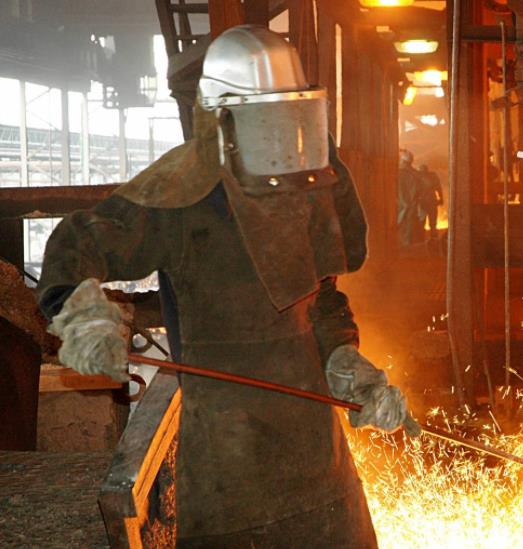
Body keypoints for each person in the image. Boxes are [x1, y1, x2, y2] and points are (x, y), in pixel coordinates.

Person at [36, 26, 416, 547]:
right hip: (231, 468)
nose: (282, 136)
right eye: (266, 119)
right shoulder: (183, 194)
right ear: (225, 119)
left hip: (318, 452)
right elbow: (77, 243)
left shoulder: (303, 182)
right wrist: (82, 313)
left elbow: (321, 293)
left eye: (289, 115)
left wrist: (345, 360)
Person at [397, 149, 423, 246]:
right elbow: (420, 189)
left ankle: (401, 243)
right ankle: (406, 242)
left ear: (403, 161)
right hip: (413, 203)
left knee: (400, 223)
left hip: (400, 203)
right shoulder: (417, 174)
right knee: (409, 223)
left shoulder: (399, 173)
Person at [416, 164, 443, 240]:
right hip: (430, 202)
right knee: (431, 222)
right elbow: (438, 188)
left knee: (423, 222)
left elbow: (438, 188)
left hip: (424, 203)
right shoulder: (432, 176)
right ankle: (432, 238)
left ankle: (422, 239)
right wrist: (441, 199)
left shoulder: (418, 177)